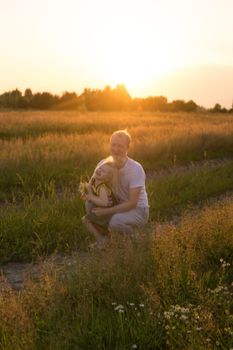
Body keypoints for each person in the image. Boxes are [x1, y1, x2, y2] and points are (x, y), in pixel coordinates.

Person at [92, 129, 149, 236]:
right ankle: (106, 240)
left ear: (127, 148)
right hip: (118, 205)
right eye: (113, 145)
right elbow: (93, 186)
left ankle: (137, 237)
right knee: (91, 212)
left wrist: (105, 212)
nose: (116, 149)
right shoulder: (103, 164)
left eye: (120, 146)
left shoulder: (135, 169)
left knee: (115, 222)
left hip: (138, 210)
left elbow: (132, 203)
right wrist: (89, 194)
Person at [81, 161, 117, 249]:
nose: (100, 170)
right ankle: (107, 240)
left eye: (103, 171)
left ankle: (101, 240)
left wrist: (90, 198)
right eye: (100, 168)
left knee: (86, 220)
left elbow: (104, 202)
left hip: (107, 214)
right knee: (94, 222)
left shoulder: (102, 188)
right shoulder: (95, 182)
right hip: (102, 214)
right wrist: (87, 193)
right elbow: (91, 192)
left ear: (107, 178)